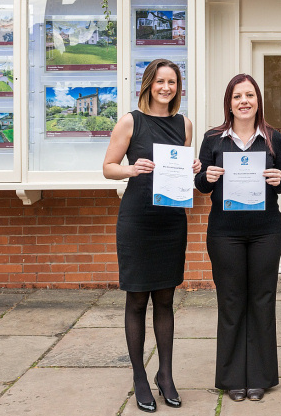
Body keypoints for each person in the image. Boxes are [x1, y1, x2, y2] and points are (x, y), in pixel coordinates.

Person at [103, 59, 200, 412]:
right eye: (160, 81)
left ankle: (166, 375)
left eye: (172, 82)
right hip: (138, 220)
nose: (166, 87)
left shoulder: (184, 124)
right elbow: (107, 167)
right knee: (137, 300)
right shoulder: (131, 120)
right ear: (149, 84)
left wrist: (194, 167)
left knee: (165, 299)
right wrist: (131, 168)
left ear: (178, 86)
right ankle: (139, 377)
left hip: (171, 220)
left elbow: (184, 172)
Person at [194, 74, 281, 402]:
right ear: (230, 103)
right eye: (238, 96)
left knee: (262, 300)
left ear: (258, 101)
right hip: (225, 234)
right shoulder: (213, 139)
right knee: (232, 301)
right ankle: (233, 377)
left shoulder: (273, 138)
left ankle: (261, 377)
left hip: (266, 232)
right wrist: (204, 176)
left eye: (250, 95)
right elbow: (201, 184)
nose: (244, 101)